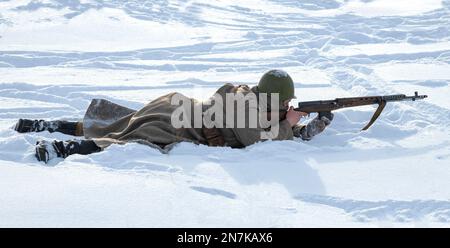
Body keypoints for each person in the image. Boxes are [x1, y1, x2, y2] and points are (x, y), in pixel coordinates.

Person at [13, 69, 333, 163]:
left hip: (174, 106)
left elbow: (264, 123)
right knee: (127, 141)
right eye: (283, 104)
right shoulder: (248, 112)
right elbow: (260, 141)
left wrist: (306, 122)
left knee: (118, 122)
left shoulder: (243, 94)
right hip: (175, 126)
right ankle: (60, 148)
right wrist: (290, 125)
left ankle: (48, 125)